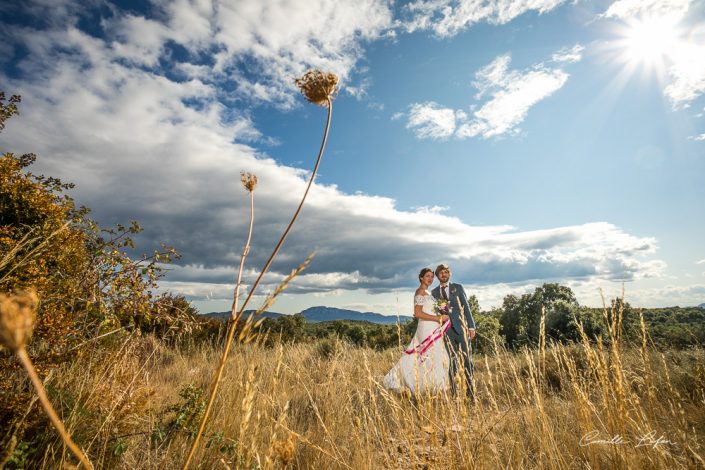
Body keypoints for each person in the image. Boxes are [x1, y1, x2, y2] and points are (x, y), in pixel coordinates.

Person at [383, 268, 451, 394]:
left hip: (434, 327)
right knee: (430, 355)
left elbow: (430, 309)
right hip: (426, 328)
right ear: (421, 278)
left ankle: (433, 386)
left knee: (437, 355)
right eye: (427, 276)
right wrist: (437, 318)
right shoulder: (420, 291)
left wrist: (444, 312)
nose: (430, 279)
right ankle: (418, 384)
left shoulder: (428, 292)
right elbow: (418, 313)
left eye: (432, 277)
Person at [431, 263, 476, 398]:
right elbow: (439, 312)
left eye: (445, 272)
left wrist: (471, 327)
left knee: (467, 360)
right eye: (440, 273)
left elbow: (466, 307)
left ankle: (470, 394)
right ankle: (455, 394)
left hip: (462, 329)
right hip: (447, 331)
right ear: (437, 276)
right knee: (452, 361)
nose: (443, 274)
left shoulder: (458, 288)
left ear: (449, 274)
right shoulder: (434, 292)